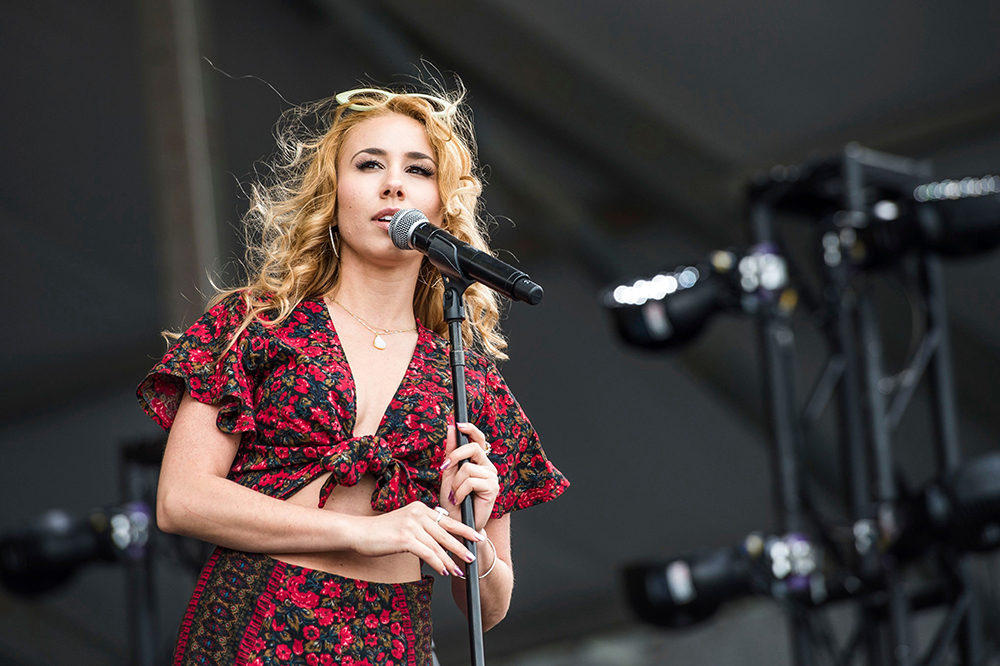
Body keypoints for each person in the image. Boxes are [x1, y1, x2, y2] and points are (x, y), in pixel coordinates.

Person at [136, 84, 569, 666]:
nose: (394, 183)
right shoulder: (262, 324)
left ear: (442, 204)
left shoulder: (468, 377)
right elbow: (181, 500)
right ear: (332, 194)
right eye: (369, 164)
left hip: (397, 642)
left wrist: (477, 530)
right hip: (261, 627)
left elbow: (488, 609)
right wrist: (367, 532)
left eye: (419, 170)